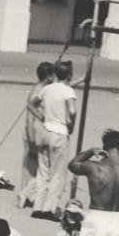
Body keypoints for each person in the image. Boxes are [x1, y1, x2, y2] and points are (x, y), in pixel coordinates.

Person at [27, 62, 78, 216]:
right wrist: (71, 124)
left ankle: (38, 207)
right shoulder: (68, 90)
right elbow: (72, 110)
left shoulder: (47, 89)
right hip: (59, 131)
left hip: (45, 131)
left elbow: (31, 104)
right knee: (58, 173)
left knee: (43, 172)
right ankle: (49, 208)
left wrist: (42, 117)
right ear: (69, 75)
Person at [18, 63, 55, 208]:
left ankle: (28, 195)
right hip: (32, 132)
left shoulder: (45, 89)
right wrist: (31, 137)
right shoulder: (37, 90)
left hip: (40, 132)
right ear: (48, 76)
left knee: (37, 166)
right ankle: (25, 194)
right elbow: (29, 117)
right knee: (31, 166)